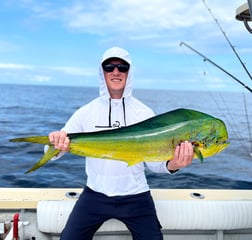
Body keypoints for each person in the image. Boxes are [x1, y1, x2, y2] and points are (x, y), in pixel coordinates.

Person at [48, 47, 193, 240]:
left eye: (122, 67)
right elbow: (54, 150)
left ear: (129, 72)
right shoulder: (86, 112)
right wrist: (55, 143)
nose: (116, 72)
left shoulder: (144, 113)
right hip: (95, 194)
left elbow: (154, 163)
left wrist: (173, 165)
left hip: (136, 196)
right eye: (109, 67)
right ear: (103, 72)